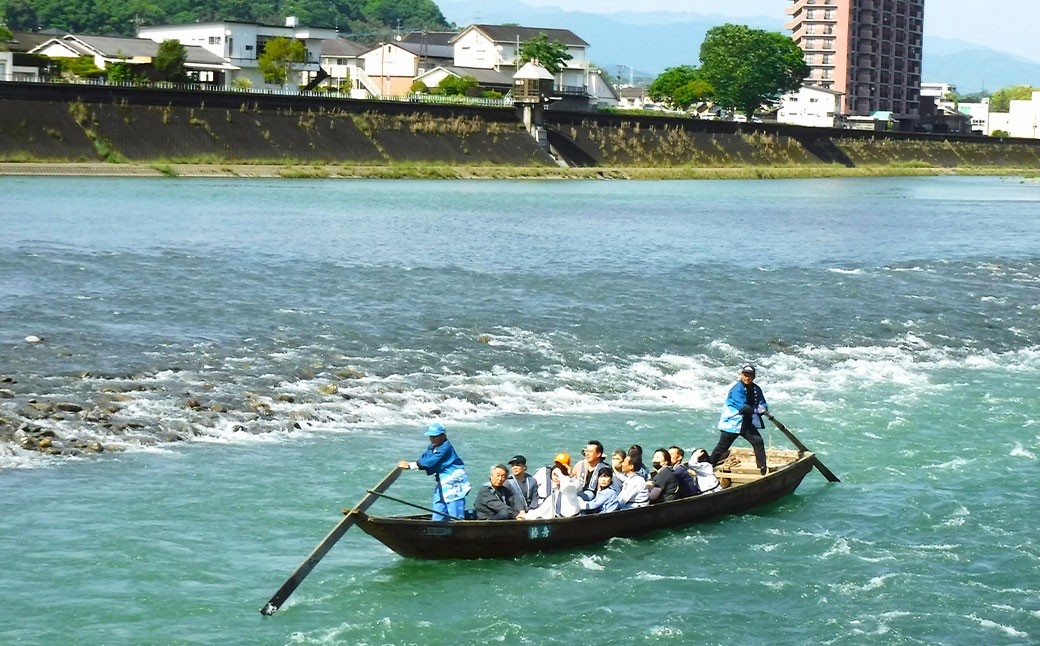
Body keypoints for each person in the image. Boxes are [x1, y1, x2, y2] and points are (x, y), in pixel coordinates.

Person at [397, 422, 470, 521]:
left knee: (455, 511)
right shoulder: (433, 447)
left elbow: (429, 462)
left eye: (435, 436)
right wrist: (412, 464)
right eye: (431, 436)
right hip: (443, 480)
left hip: (454, 480)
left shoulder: (445, 447)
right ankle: (437, 526)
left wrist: (410, 465)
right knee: (438, 508)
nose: (432, 439)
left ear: (443, 436)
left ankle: (458, 532)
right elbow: (424, 458)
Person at [710, 364, 769, 474]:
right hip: (732, 424)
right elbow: (743, 408)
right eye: (745, 375)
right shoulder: (736, 389)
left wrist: (763, 408)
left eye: (750, 376)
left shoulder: (756, 389)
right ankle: (709, 466)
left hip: (746, 423)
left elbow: (762, 402)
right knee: (722, 448)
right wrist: (756, 410)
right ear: (741, 375)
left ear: (754, 377)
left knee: (758, 442)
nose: (747, 378)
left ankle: (762, 468)